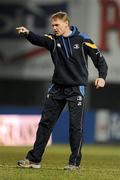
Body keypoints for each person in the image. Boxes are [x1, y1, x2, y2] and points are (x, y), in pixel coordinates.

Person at [16, 11, 108, 170]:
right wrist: (28, 34)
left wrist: (102, 76)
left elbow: (99, 59)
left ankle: (74, 163)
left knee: (75, 127)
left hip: (75, 89)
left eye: (57, 25)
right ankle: (34, 160)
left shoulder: (83, 40)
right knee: (45, 123)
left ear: (66, 24)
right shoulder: (52, 39)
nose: (54, 28)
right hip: (57, 88)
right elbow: (39, 39)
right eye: (52, 25)